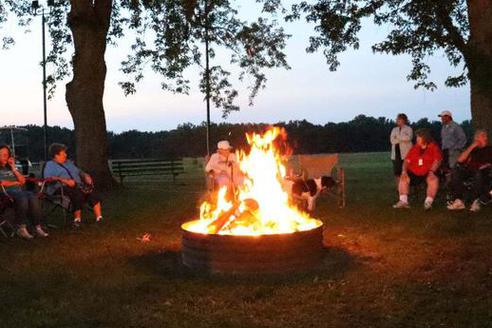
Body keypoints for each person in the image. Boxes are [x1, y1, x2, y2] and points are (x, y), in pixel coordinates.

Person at [43, 143, 103, 228]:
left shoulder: (68, 163)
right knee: (77, 193)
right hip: (60, 188)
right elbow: (48, 179)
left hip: (77, 186)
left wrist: (85, 175)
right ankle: (77, 220)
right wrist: (64, 180)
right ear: (56, 155)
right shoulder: (50, 165)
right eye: (63, 153)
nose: (66, 154)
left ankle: (99, 218)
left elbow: (79, 171)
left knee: (91, 191)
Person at [0, 145, 48, 239]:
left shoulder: (10, 168)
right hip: (4, 192)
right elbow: (2, 183)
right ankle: (20, 227)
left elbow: (22, 181)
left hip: (18, 190)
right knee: (23, 198)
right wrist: (15, 182)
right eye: (2, 154)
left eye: (6, 154)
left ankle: (37, 226)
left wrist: (13, 167)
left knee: (32, 196)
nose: (4, 157)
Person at [393, 129, 442, 210]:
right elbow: (406, 161)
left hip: (428, 171)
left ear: (425, 138)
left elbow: (437, 160)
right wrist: (404, 171)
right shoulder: (414, 148)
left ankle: (428, 202)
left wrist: (432, 171)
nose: (417, 139)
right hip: (414, 172)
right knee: (403, 177)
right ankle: (403, 201)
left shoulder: (433, 147)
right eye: (417, 138)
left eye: (419, 138)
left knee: (433, 179)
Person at [447, 129, 492, 212]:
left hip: (483, 171)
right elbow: (460, 160)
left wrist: (488, 165)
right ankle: (459, 200)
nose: (485, 138)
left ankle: (475, 200)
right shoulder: (472, 150)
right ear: (476, 139)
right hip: (469, 171)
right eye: (483, 136)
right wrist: (472, 146)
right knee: (455, 170)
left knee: (478, 172)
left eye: (486, 136)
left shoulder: (489, 149)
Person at [390, 113, 413, 189]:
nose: (396, 120)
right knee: (397, 173)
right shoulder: (394, 129)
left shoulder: (408, 129)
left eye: (398, 119)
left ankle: (406, 188)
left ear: (402, 120)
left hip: (406, 154)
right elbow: (392, 140)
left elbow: (408, 138)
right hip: (396, 155)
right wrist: (401, 138)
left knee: (406, 172)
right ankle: (399, 188)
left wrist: (398, 137)